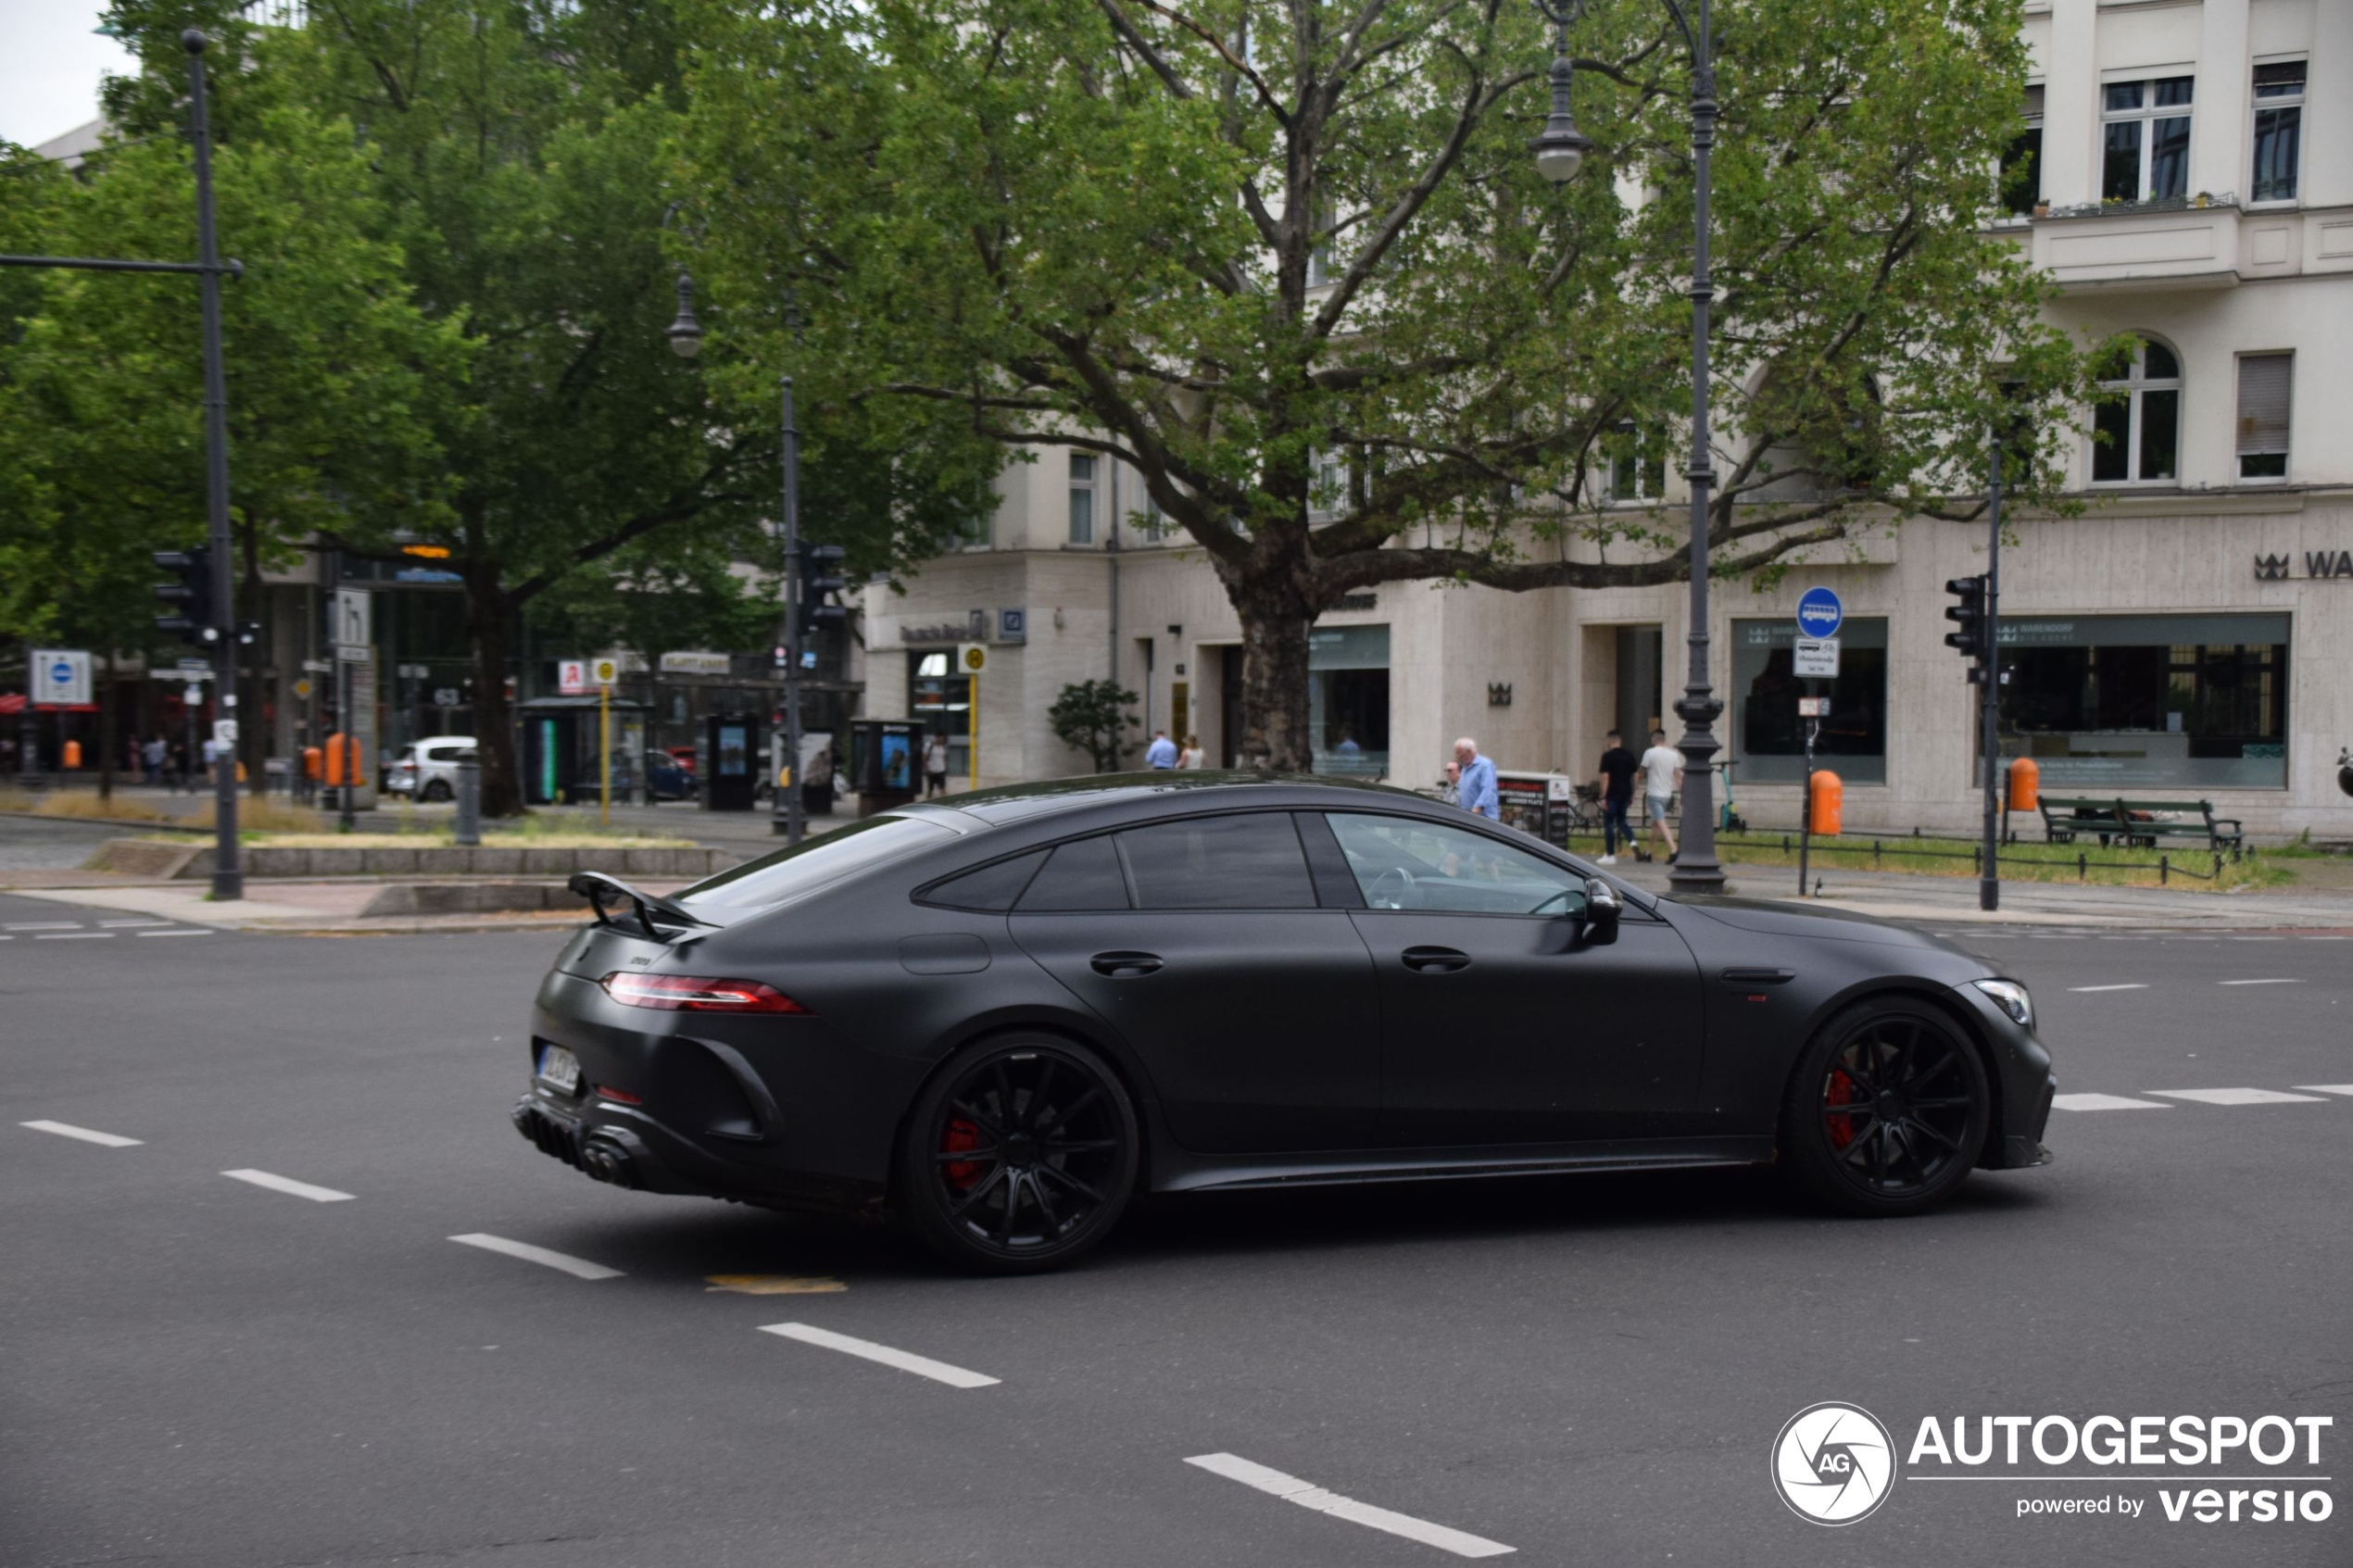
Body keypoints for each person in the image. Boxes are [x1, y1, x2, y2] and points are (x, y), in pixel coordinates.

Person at [1638, 727, 1685, 863]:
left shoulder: (1649, 753)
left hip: (1653, 794)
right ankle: (1648, 853)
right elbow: (1678, 775)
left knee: (1661, 823)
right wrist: (1683, 794)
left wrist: (1635, 783)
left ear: (1654, 739)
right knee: (1656, 824)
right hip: (1666, 794)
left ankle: (1674, 850)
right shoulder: (1673, 755)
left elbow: (1641, 772)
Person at [1594, 729, 1639, 865]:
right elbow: (1636, 775)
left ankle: (1610, 854)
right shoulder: (1629, 755)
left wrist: (1603, 796)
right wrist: (1632, 791)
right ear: (1620, 740)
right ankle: (1633, 842)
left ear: (1609, 740)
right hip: (1625, 793)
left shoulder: (1607, 756)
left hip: (1611, 795)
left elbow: (1605, 776)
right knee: (1622, 821)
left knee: (1608, 823)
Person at [1453, 736, 1498, 821]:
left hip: (1483, 820)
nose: (1456, 756)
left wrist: (1475, 811)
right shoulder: (1465, 768)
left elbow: (1487, 790)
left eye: (1458, 753)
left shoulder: (1485, 765)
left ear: (1468, 751)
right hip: (1467, 818)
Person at [922, 732, 949, 798]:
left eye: (942, 740)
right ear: (936, 738)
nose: (941, 741)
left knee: (943, 789)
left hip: (941, 771)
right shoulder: (929, 745)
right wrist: (927, 769)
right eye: (940, 739)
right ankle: (928, 802)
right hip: (932, 771)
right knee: (930, 790)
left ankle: (944, 803)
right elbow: (924, 758)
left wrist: (945, 767)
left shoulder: (943, 747)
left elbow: (944, 757)